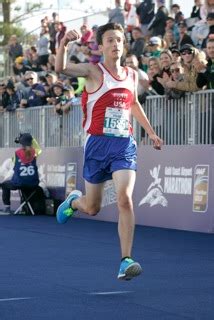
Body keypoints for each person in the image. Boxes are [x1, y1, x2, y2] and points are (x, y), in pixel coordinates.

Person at [55, 22, 163, 281]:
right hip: (96, 144)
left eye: (119, 40)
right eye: (110, 40)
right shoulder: (94, 71)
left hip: (123, 144)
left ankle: (126, 260)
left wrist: (150, 132)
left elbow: (133, 103)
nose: (116, 44)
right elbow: (61, 68)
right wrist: (64, 44)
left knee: (125, 198)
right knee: (92, 207)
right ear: (101, 45)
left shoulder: (132, 75)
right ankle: (74, 201)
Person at [1, 133, 43, 214]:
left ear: (21, 143)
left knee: (4, 185)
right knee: (27, 185)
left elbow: (15, 165)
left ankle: (7, 208)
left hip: (19, 183)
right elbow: (38, 149)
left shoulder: (17, 153)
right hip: (33, 184)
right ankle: (24, 208)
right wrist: (31, 138)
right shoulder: (35, 153)